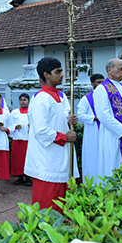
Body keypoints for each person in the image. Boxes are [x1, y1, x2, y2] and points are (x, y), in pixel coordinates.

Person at [24, 57, 79, 214]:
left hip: (61, 154)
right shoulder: (41, 98)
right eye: (58, 72)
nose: (62, 75)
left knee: (64, 201)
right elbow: (41, 130)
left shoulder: (61, 96)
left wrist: (70, 120)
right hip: (47, 158)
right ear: (46, 75)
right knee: (49, 204)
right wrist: (64, 138)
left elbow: (61, 120)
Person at [77, 73, 105, 182]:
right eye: (98, 82)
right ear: (92, 84)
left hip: (106, 132)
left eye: (103, 82)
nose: (101, 85)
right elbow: (80, 114)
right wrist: (95, 118)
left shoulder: (108, 97)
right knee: (91, 158)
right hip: (92, 132)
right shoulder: (86, 98)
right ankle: (91, 184)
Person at [9, 93, 32, 186]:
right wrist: (15, 126)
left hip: (28, 139)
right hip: (18, 138)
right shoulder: (14, 112)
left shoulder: (32, 111)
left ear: (28, 101)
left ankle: (28, 178)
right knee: (18, 159)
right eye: (21, 100)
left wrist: (32, 126)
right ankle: (20, 177)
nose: (23, 102)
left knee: (28, 158)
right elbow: (10, 124)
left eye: (25, 100)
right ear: (19, 101)